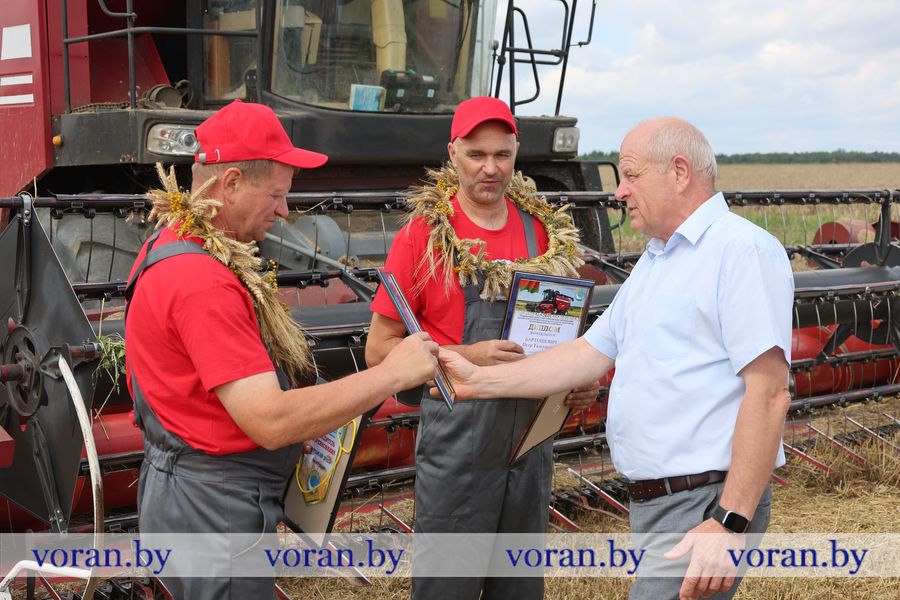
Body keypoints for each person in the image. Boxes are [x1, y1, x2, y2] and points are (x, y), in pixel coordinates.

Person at [437, 117, 794, 600]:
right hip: (663, 503)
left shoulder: (741, 251)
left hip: (704, 503)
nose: (620, 191)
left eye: (631, 175)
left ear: (679, 172)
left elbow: (769, 393)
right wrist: (475, 381)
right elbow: (587, 353)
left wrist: (729, 521)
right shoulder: (658, 258)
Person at [124, 100, 439, 599]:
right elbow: (269, 420)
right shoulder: (202, 280)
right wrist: (392, 374)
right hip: (215, 509)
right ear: (230, 184)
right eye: (275, 194)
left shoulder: (168, 246)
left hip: (181, 489)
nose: (285, 210)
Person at [365, 96, 598, 600]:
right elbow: (379, 350)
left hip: (528, 444)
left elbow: (563, 336)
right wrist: (471, 356)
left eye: (502, 155)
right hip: (458, 443)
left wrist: (577, 379)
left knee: (518, 587)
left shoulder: (544, 233)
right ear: (453, 153)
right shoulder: (424, 236)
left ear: (517, 152)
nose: (490, 169)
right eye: (476, 155)